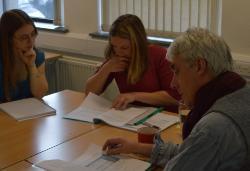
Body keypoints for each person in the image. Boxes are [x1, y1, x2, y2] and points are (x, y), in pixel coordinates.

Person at [103, 27, 250, 170]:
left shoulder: (214, 127)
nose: (173, 84)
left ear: (199, 66)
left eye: (176, 71)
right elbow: (191, 151)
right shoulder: (241, 91)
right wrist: (137, 147)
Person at [85, 14, 180, 111]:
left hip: (163, 116)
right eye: (114, 46)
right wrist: (107, 68)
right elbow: (89, 92)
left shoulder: (159, 55)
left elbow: (175, 97)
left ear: (138, 43)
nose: (118, 52)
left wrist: (135, 96)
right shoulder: (116, 57)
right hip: (131, 116)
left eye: (124, 48)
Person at [0, 9, 48, 103]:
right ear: (9, 39)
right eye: (24, 37)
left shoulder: (37, 56)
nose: (31, 41)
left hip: (27, 114)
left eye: (33, 34)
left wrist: (31, 65)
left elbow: (40, 94)